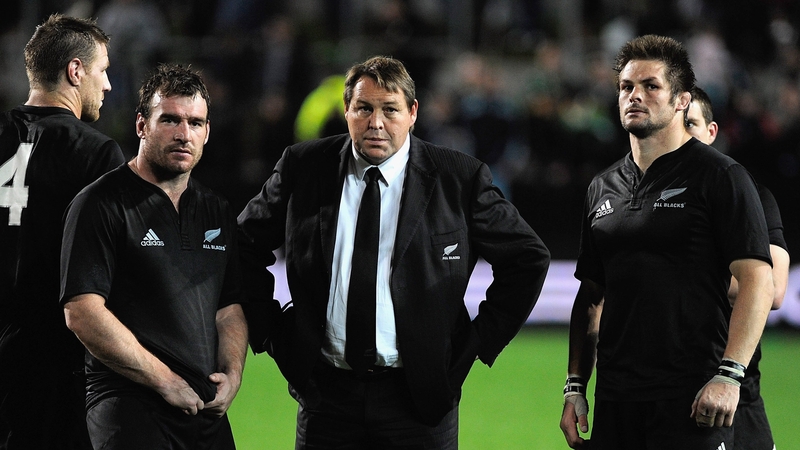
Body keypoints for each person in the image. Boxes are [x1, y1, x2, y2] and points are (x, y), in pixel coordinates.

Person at [238, 55, 550, 449]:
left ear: (413, 112)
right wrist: (272, 331)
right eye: (364, 108)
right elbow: (244, 244)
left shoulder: (458, 177)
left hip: (419, 402)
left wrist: (476, 343)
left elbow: (528, 258)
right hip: (326, 398)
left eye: (390, 109)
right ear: (347, 110)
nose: (376, 123)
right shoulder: (303, 166)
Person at [559, 35, 774, 449]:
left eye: (650, 86)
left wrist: (729, 375)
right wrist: (574, 386)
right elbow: (591, 296)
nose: (634, 96)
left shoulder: (721, 177)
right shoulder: (601, 187)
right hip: (615, 399)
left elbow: (757, 281)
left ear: (681, 100)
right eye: (626, 87)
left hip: (693, 398)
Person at [59, 63, 248, 450]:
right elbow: (82, 311)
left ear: (208, 132)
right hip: (128, 406)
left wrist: (233, 373)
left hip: (203, 408)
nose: (184, 134)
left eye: (196, 123)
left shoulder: (216, 208)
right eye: (171, 120)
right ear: (141, 125)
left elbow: (229, 307)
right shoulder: (100, 202)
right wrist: (165, 381)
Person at [0, 14, 124, 449]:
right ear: (76, 71)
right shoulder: (95, 153)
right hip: (58, 365)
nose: (107, 84)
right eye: (103, 70)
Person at [686, 86, 790, 450]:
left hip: (734, 387)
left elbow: (774, 289)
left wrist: (677, 277)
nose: (682, 134)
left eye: (691, 124)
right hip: (650, 390)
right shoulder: (633, 197)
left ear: (711, 133)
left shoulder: (752, 195)